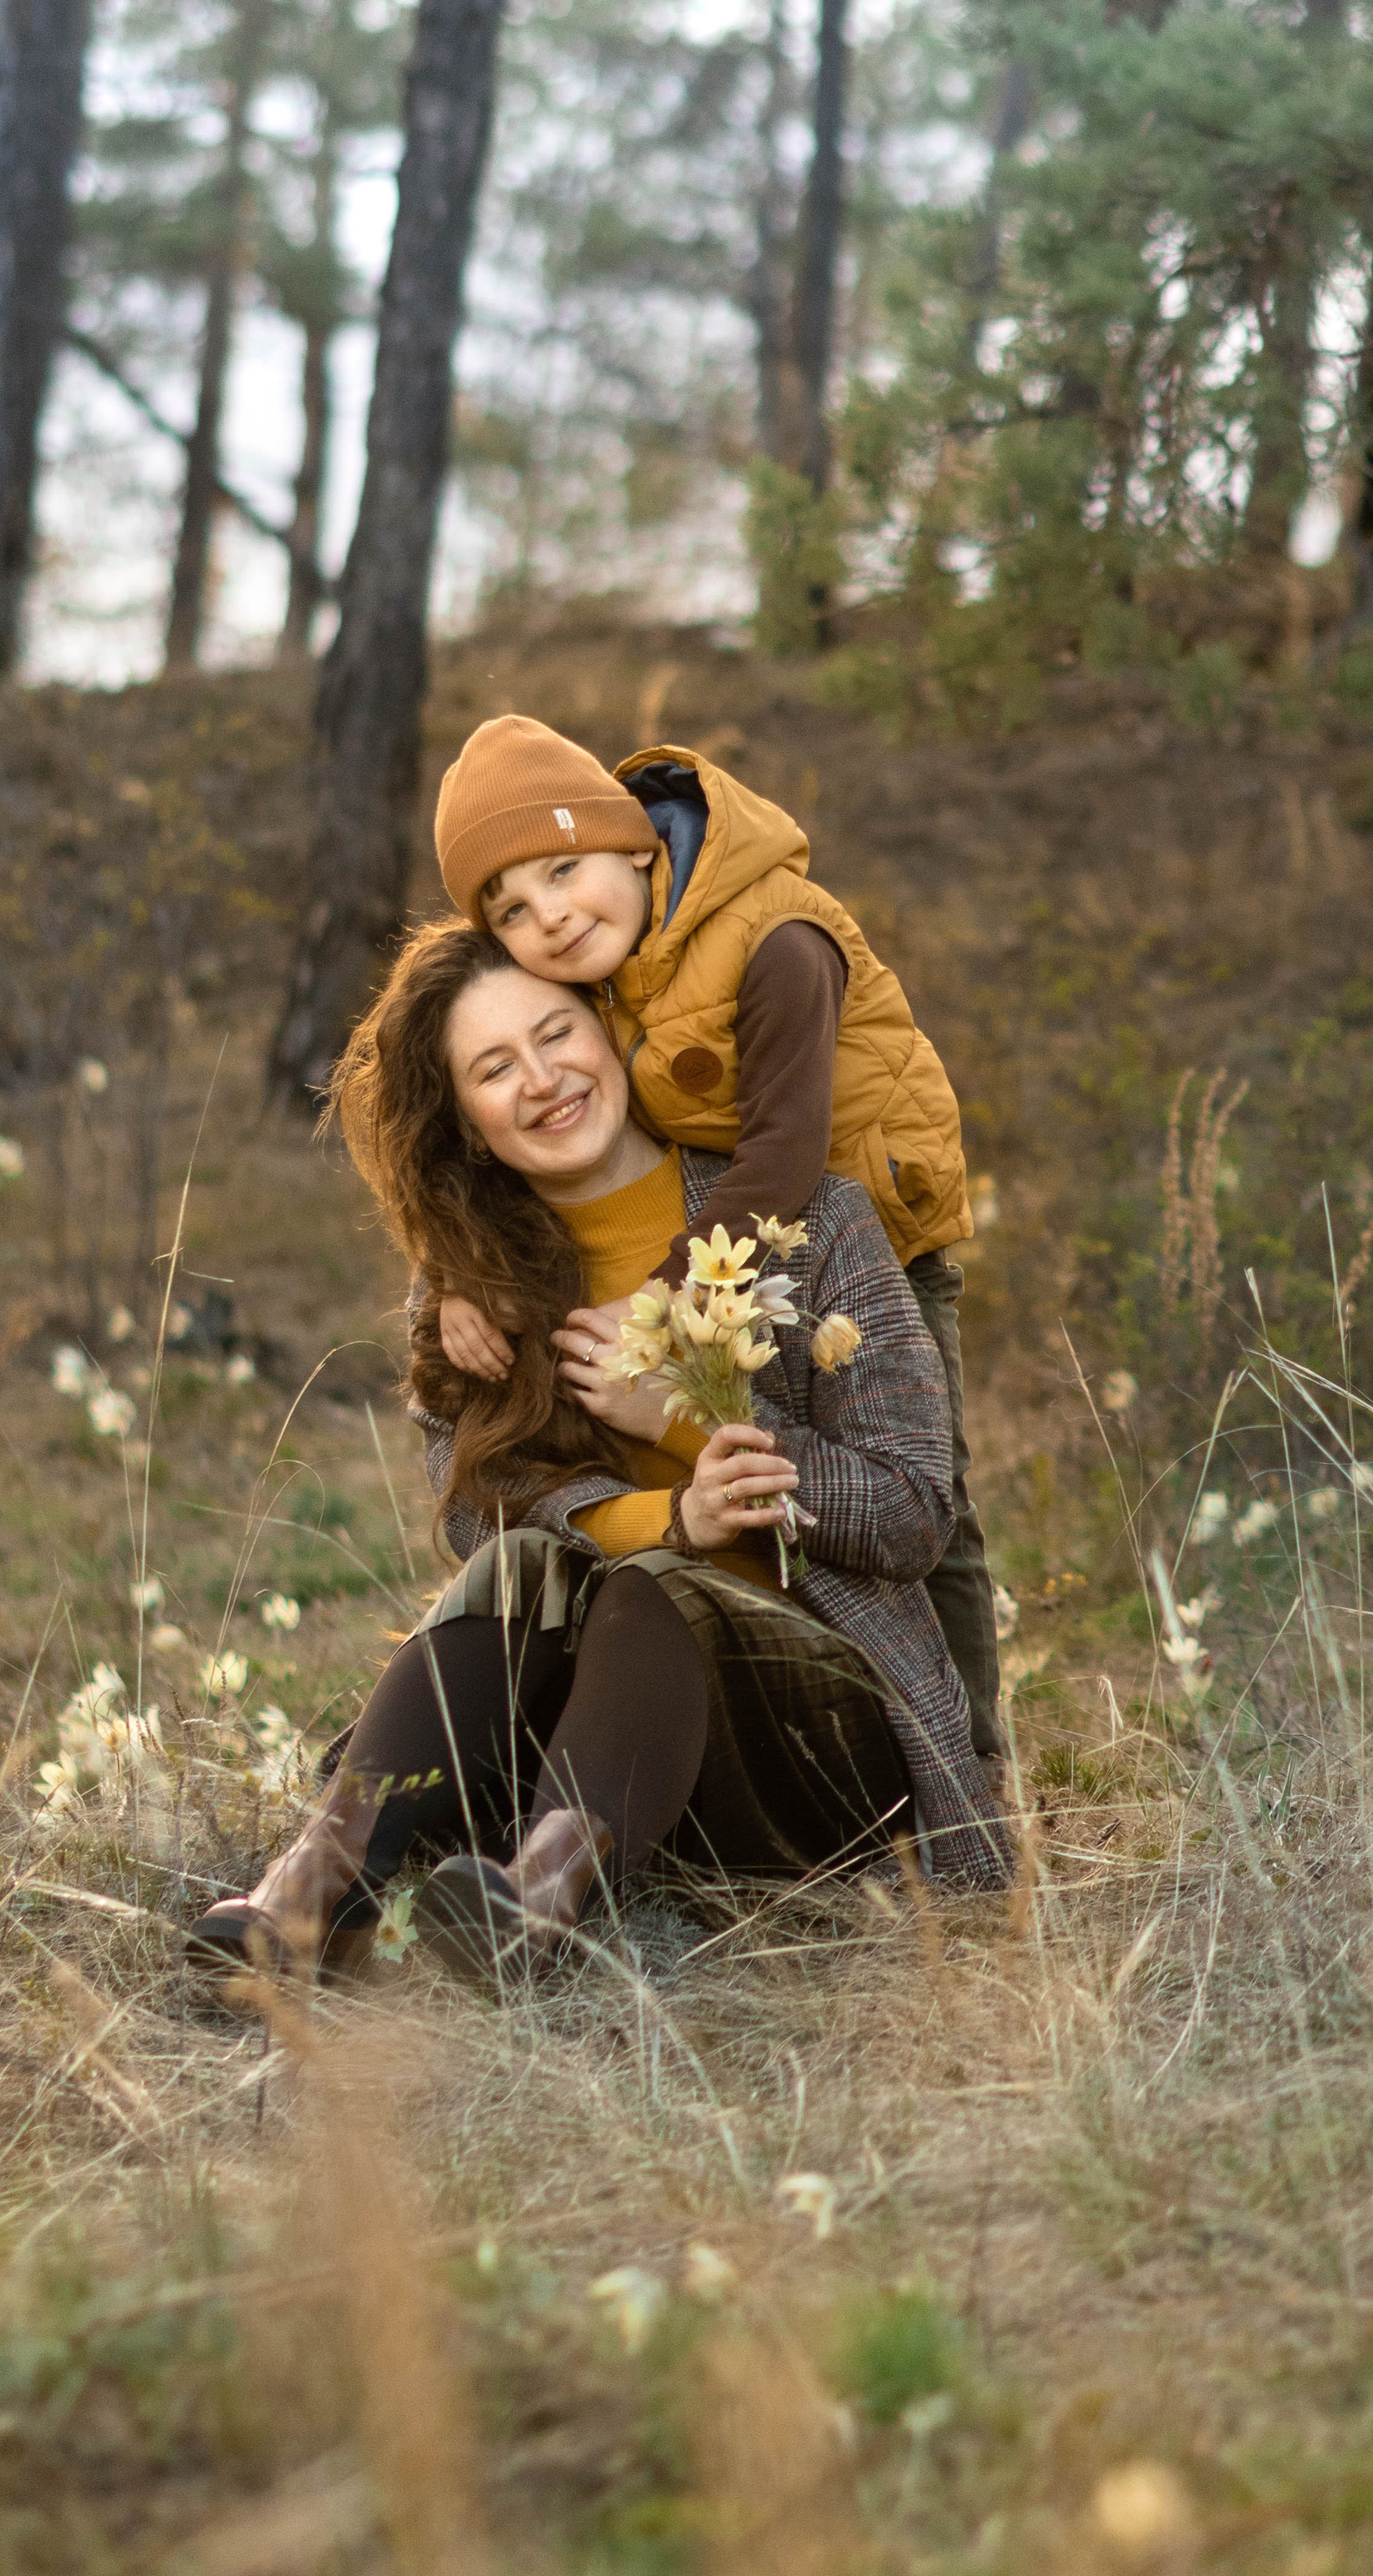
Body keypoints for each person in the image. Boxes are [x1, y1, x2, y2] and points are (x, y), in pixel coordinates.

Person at [187, 923, 1010, 1986]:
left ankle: (542, 1905)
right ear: (469, 1122)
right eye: (494, 1068)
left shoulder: (812, 1224)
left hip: (831, 1748)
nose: (541, 1080)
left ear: (611, 1031)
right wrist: (671, 1520)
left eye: (555, 1032)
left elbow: (912, 1509)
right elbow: (481, 1517)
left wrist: (681, 1411)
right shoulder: (471, 1297)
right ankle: (313, 1887)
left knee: (655, 1586)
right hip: (617, 1754)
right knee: (530, 1564)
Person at [426, 714, 1004, 1758]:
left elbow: (784, 1157)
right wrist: (454, 1273)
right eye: (511, 908)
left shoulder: (780, 939)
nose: (548, 918)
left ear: (637, 840)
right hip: (744, 1233)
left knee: (933, 1505)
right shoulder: (620, 954)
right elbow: (529, 1137)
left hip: (870, 1233)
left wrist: (655, 1317)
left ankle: (974, 1761)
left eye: (561, 870)